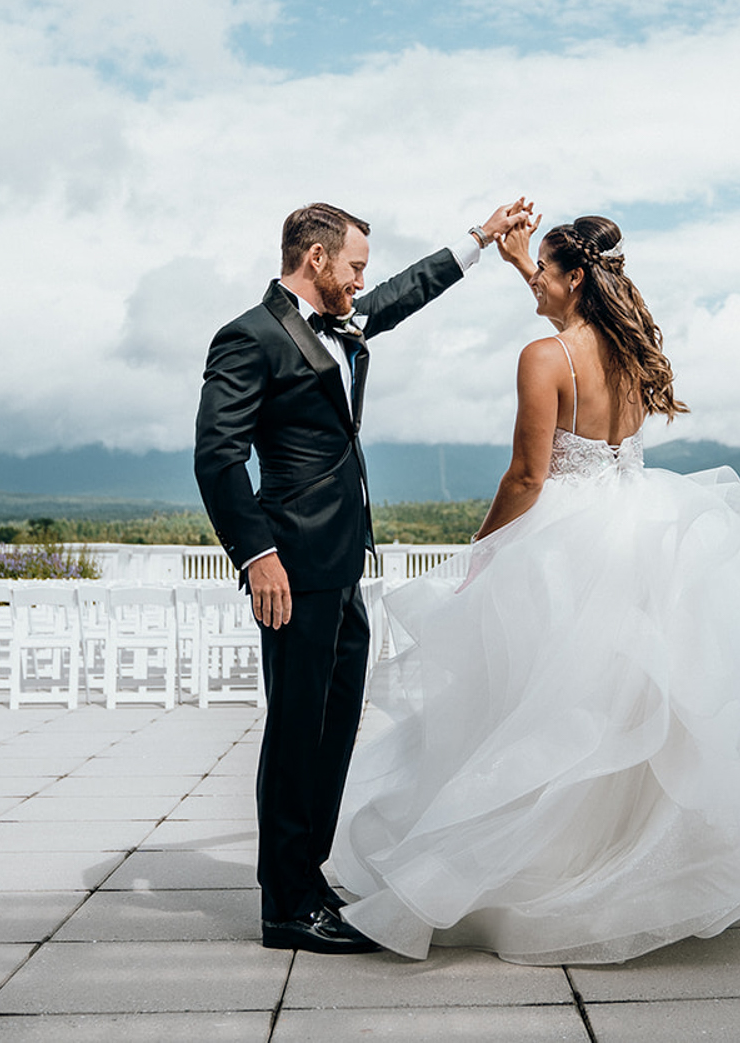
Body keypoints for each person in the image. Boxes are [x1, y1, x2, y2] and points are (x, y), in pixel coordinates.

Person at [328, 214, 740, 964]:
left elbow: (529, 476)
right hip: (637, 533)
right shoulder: (631, 350)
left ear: (570, 278)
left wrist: (484, 549)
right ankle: (610, 872)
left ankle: (494, 876)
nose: (533, 279)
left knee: (536, 713)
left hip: (564, 544)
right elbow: (569, 319)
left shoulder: (542, 356)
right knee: (616, 711)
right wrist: (513, 261)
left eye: (542, 268)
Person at [194, 198, 533, 955]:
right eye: (352, 267)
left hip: (344, 563)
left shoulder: (341, 323)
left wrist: (478, 240)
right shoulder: (248, 337)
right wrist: (258, 556)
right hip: (291, 567)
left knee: (334, 727)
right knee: (295, 733)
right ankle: (285, 906)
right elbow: (217, 456)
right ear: (315, 260)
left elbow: (401, 294)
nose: (360, 282)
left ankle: (307, 877)